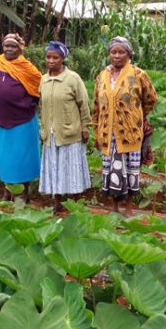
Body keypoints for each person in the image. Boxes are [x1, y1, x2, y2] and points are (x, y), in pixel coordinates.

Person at [92, 36, 158, 216]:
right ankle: (114, 208)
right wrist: (97, 131)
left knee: (130, 171)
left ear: (129, 54)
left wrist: (135, 115)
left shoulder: (138, 75)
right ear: (109, 54)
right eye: (113, 52)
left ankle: (128, 208)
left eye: (121, 52)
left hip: (130, 133)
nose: (117, 55)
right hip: (108, 133)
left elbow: (151, 98)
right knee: (112, 170)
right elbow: (96, 106)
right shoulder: (102, 76)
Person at [0, 33, 41, 202]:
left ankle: (24, 192)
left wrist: (26, 105)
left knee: (23, 158)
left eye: (13, 46)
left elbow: (39, 88)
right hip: (1, 121)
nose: (9, 49)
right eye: (6, 46)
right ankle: (8, 191)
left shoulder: (27, 68)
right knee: (5, 159)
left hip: (22, 121)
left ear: (20, 49)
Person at [38, 41, 91, 212]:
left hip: (70, 131)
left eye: (55, 57)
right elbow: (42, 106)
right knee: (55, 167)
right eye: (48, 57)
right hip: (51, 133)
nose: (51, 60)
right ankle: (58, 200)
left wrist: (85, 127)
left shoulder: (73, 78)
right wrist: (43, 128)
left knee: (71, 168)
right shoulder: (44, 80)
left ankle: (75, 200)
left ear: (62, 59)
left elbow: (83, 103)